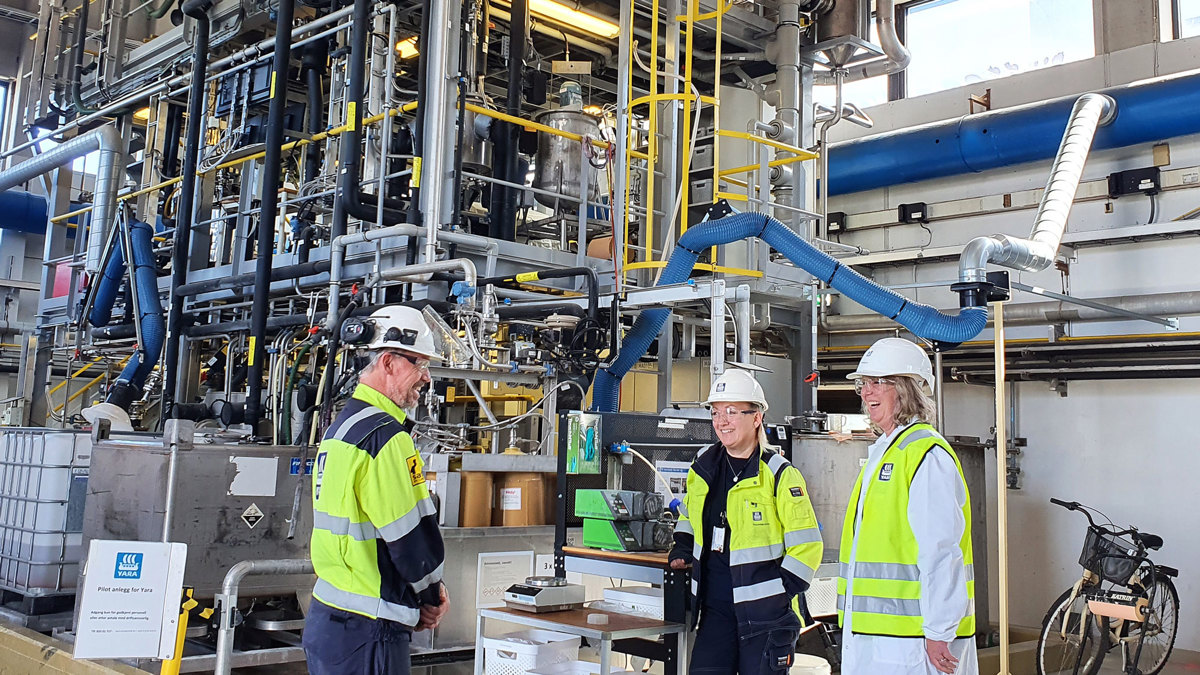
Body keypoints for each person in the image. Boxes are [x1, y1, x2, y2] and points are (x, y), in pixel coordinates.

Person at [303, 305, 450, 675]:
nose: (427, 377)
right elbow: (408, 535)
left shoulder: (344, 427)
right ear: (388, 362)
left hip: (330, 618)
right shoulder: (385, 437)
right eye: (419, 364)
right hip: (369, 628)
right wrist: (431, 597)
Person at [668, 369, 824, 675]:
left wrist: (779, 595)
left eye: (731, 411)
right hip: (714, 612)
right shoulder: (703, 467)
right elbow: (688, 515)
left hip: (766, 620)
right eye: (715, 412)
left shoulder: (779, 474)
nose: (721, 421)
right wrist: (682, 548)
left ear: (757, 418)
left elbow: (807, 545)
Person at [838, 337, 977, 675]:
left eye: (878, 383)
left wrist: (940, 631)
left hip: (914, 643)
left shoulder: (925, 455)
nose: (867, 393)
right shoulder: (887, 451)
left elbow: (941, 550)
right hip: (878, 637)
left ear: (906, 389)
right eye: (863, 384)